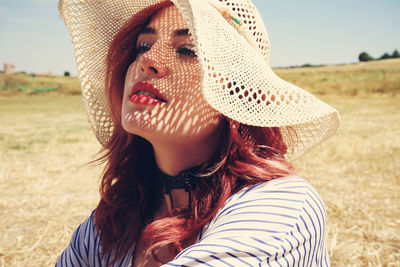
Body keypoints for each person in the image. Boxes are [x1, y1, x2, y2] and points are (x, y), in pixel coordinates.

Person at [57, 0, 340, 266]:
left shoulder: (281, 204)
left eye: (188, 49)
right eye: (142, 45)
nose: (148, 60)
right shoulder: (113, 218)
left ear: (237, 93)